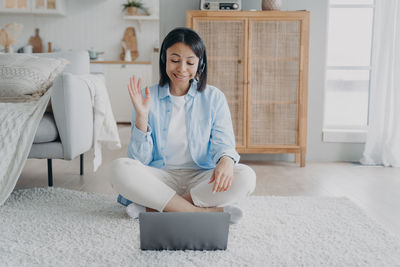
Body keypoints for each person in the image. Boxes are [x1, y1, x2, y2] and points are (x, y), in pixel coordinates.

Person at [108, 27, 256, 224]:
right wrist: (142, 118)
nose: (182, 69)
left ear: (200, 64)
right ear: (164, 60)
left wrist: (226, 161)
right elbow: (139, 160)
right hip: (160, 177)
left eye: (190, 62)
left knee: (246, 176)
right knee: (119, 168)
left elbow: (224, 142)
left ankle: (156, 207)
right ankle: (201, 213)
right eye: (175, 60)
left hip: (201, 178)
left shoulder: (214, 97)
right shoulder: (146, 98)